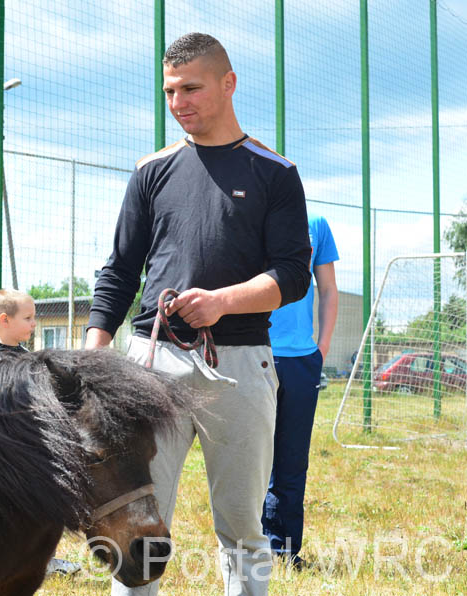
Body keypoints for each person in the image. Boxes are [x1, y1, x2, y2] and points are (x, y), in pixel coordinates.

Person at [84, 32, 311, 596]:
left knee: (241, 525)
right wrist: (94, 354)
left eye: (191, 88)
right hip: (151, 363)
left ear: (228, 84)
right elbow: (119, 270)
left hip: (241, 362)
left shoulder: (275, 172)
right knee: (136, 524)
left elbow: (292, 275)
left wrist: (221, 302)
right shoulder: (151, 170)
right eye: (169, 91)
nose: (177, 101)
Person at [262, 214, 339, 569]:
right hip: (252, 352)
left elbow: (328, 289)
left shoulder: (316, 223)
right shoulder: (249, 210)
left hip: (301, 361)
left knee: (292, 462)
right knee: (249, 459)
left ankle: (284, 551)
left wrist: (321, 348)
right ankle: (248, 546)